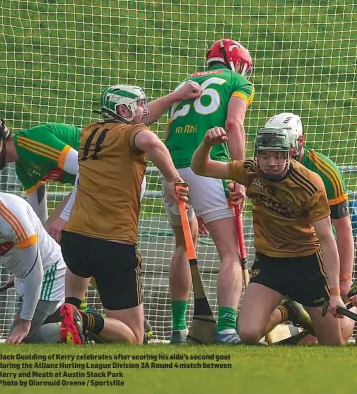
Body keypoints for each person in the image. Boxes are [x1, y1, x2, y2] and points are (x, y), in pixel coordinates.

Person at [0, 82, 200, 322]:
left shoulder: (32, 142)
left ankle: (114, 314)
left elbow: (85, 171)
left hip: (116, 182)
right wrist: (36, 257)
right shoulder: (23, 164)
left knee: (89, 241)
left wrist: (62, 218)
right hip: (96, 188)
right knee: (77, 245)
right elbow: (38, 219)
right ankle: (84, 316)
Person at [192, 126, 346, 345]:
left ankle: (348, 310)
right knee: (247, 334)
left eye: (278, 155)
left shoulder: (311, 184)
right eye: (264, 155)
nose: (271, 162)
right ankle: (288, 311)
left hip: (307, 263)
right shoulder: (250, 170)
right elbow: (201, 168)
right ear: (257, 154)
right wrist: (206, 144)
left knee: (334, 343)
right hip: (270, 263)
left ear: (290, 154)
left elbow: (327, 239)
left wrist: (335, 293)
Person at [59, 84, 189, 345]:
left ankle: (71, 309)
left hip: (73, 242)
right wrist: (175, 179)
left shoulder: (88, 132)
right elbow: (150, 140)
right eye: (140, 105)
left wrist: (175, 96)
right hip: (112, 244)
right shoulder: (134, 133)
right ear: (122, 109)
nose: (145, 110)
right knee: (133, 338)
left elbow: (136, 128)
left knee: (87, 268)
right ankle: (83, 319)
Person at [0, 162, 138, 345]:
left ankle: (89, 325)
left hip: (49, 272)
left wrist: (24, 322)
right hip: (26, 276)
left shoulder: (10, 213)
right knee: (26, 334)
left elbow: (35, 270)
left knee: (26, 339)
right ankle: (81, 318)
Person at [162, 38, 254, 344]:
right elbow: (233, 123)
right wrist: (239, 174)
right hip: (207, 165)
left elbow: (168, 131)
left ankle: (179, 329)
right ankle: (226, 328)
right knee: (230, 252)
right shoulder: (237, 81)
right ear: (235, 62)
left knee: (183, 247)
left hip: (172, 166)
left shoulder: (185, 83)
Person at [261, 113, 356, 344]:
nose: (272, 158)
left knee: (336, 338)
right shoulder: (263, 167)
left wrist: (344, 280)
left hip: (317, 258)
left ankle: (293, 314)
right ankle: (289, 313)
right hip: (278, 256)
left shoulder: (325, 172)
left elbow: (342, 230)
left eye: (280, 147)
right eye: (268, 150)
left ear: (299, 142)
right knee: (249, 328)